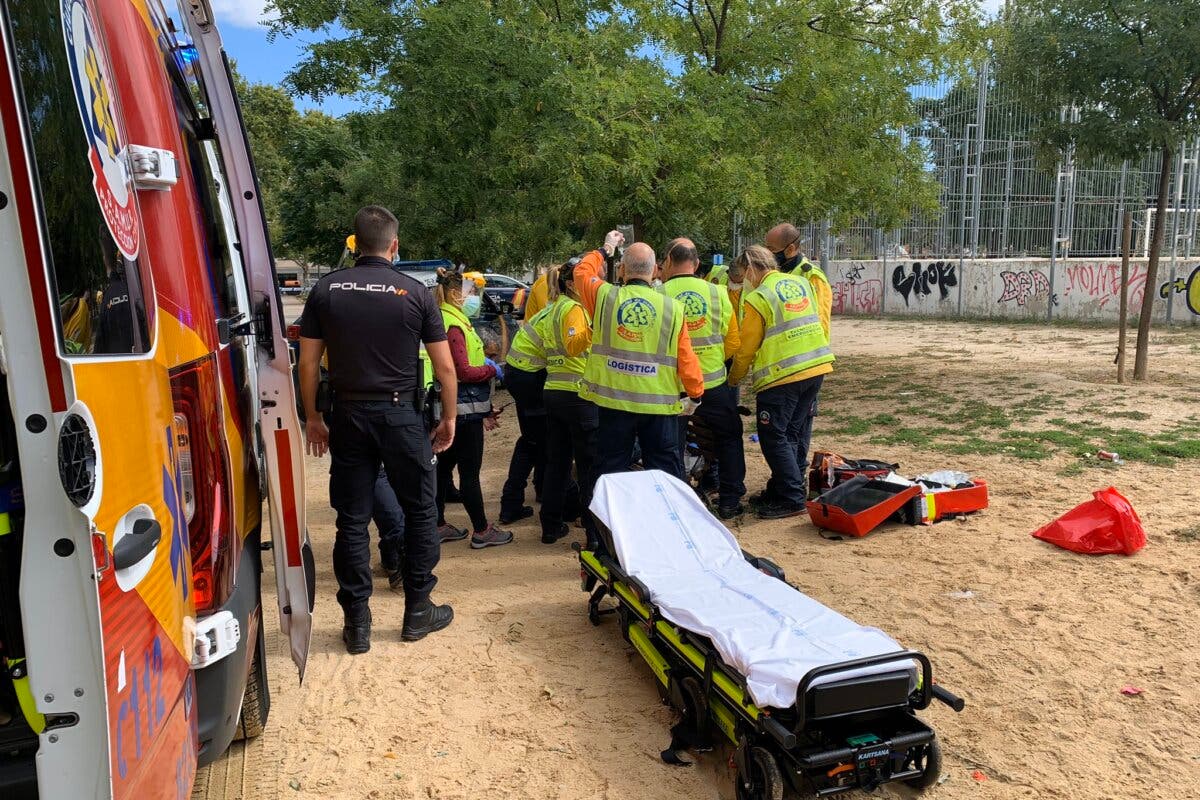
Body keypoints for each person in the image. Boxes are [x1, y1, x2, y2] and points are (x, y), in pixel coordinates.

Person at [299, 206, 457, 654]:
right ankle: (417, 611)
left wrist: (313, 416)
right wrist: (448, 418)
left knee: (352, 518)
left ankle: (357, 623)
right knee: (422, 510)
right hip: (402, 417)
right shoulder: (416, 293)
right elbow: (445, 366)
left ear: (356, 242)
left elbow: (307, 363)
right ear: (394, 245)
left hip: (348, 416)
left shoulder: (326, 289)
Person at [573, 231, 705, 481]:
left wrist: (606, 248)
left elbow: (582, 272)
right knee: (665, 471)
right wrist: (695, 395)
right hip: (658, 406)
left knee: (610, 471)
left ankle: (605, 521)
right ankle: (665, 518)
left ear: (622, 270)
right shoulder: (672, 309)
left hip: (613, 403)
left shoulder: (604, 297)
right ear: (656, 270)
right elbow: (686, 357)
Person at [727, 244, 834, 520]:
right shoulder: (800, 283)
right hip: (815, 367)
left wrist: (734, 378)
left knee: (773, 435)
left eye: (745, 274)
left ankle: (791, 497)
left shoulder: (760, 297)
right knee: (792, 433)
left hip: (782, 375)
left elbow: (747, 347)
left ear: (751, 269)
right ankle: (783, 486)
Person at [660, 238, 746, 518]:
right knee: (729, 437)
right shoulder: (717, 293)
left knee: (671, 443)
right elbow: (733, 341)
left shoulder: (658, 293)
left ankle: (676, 505)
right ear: (697, 264)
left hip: (673, 387)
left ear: (668, 262)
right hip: (712, 382)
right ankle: (730, 500)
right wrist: (712, 359)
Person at [434, 268, 515, 549]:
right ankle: (481, 530)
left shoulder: (446, 318)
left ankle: (438, 524)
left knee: (442, 469)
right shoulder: (454, 324)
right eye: (472, 293)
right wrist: (491, 370)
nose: (475, 298)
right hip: (464, 410)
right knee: (469, 473)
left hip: (453, 406)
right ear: (456, 294)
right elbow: (464, 371)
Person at [537, 259, 599, 547]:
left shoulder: (555, 307)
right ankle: (593, 533)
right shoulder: (573, 308)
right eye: (585, 279)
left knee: (558, 464)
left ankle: (550, 526)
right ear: (572, 284)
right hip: (577, 394)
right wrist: (597, 323)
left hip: (555, 392)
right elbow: (575, 345)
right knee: (588, 467)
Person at [498, 283, 550, 524]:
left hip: (521, 376)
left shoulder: (549, 310)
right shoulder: (566, 312)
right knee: (536, 441)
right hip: (531, 380)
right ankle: (512, 503)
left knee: (533, 440)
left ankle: (517, 500)